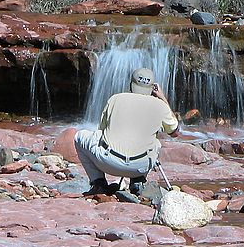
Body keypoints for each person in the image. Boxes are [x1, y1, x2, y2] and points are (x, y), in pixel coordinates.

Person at [74, 67, 179, 196]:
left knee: (79, 136)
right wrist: (162, 98)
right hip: (140, 166)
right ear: (152, 88)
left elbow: (101, 131)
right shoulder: (160, 105)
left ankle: (98, 183)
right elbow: (174, 132)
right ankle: (137, 181)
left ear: (131, 84)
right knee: (156, 144)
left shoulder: (115, 99)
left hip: (108, 162)